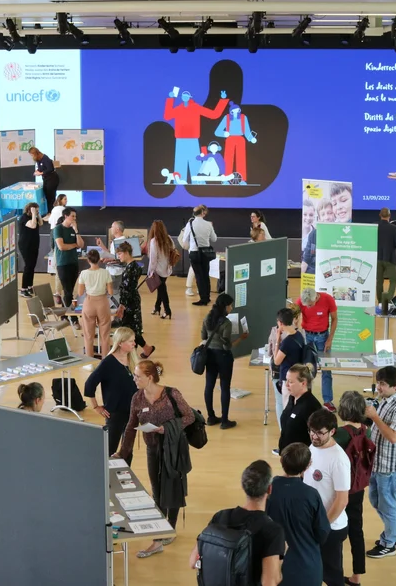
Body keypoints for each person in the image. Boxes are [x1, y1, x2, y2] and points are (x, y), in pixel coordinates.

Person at [115, 361, 194, 558]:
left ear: (150, 377)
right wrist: (122, 453)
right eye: (134, 375)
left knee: (173, 487)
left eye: (137, 376)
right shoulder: (137, 398)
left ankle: (169, 529)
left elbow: (189, 416)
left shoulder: (171, 394)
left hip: (173, 448)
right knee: (157, 491)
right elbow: (131, 426)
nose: (134, 379)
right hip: (153, 449)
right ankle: (159, 534)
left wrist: (166, 428)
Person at [190, 461, 284, 586]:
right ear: (269, 489)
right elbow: (269, 582)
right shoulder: (272, 531)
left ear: (243, 486)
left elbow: (192, 561)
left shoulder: (220, 516)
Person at [366, 366, 396, 559]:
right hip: (378, 464)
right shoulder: (385, 400)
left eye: (383, 384)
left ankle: (389, 543)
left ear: (395, 386)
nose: (379, 388)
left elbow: (393, 437)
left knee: (388, 506)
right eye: (378, 383)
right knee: (376, 500)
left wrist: (375, 417)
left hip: (392, 469)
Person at [266, 443, 330, 586]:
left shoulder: (267, 490)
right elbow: (322, 532)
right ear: (307, 466)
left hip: (274, 567)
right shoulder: (311, 495)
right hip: (307, 568)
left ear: (281, 460)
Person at [304, 408, 351, 586]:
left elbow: (342, 500)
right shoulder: (313, 447)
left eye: (320, 433)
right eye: (311, 431)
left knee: (332, 576)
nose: (314, 436)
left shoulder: (338, 459)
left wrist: (322, 525)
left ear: (332, 431)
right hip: (313, 523)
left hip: (330, 528)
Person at [333, 392, 373, 585]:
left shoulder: (340, 433)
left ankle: (335, 573)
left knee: (336, 529)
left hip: (340, 488)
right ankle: (357, 576)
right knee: (357, 530)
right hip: (358, 486)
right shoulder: (367, 430)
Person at [84, 327, 139, 456]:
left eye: (134, 341)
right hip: (115, 413)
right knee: (110, 448)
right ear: (120, 343)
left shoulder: (132, 359)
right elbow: (89, 384)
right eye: (131, 341)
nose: (134, 344)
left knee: (127, 449)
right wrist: (96, 406)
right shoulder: (108, 363)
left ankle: (125, 474)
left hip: (132, 412)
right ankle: (108, 474)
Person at [201, 293, 247, 429]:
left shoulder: (207, 318)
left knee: (209, 386)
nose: (231, 308)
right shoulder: (226, 323)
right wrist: (241, 338)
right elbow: (227, 346)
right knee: (225, 387)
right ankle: (225, 420)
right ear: (225, 306)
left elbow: (203, 336)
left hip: (209, 355)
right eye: (230, 305)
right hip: (223, 357)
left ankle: (210, 417)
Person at [296, 288, 338, 411]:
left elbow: (335, 319)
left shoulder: (327, 299)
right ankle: (306, 399)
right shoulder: (301, 300)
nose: (308, 307)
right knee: (306, 368)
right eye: (306, 305)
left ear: (316, 298)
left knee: (326, 369)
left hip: (323, 336)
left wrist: (330, 339)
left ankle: (328, 401)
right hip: (307, 336)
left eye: (310, 304)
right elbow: (292, 315)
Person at [116, 241, 154, 359]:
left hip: (130, 302)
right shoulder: (135, 266)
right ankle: (146, 348)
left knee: (129, 328)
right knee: (133, 328)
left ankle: (133, 353)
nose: (119, 256)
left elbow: (128, 289)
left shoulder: (131, 268)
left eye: (120, 254)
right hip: (132, 300)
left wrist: (122, 305)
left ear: (127, 253)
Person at [272, 308, 307, 429]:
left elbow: (277, 360)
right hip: (298, 376)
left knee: (286, 409)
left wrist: (277, 340)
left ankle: (286, 436)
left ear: (280, 323)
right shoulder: (299, 335)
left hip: (288, 379)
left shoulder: (287, 342)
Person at [278, 364, 323, 454]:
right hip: (287, 455)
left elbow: (319, 437)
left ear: (303, 383)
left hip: (301, 459)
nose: (286, 385)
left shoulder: (311, 406)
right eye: (286, 380)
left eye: (290, 382)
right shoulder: (292, 398)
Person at [77, 250, 114, 358]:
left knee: (88, 335)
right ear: (99, 260)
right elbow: (111, 292)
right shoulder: (105, 272)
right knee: (105, 335)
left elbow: (80, 293)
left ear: (88, 260)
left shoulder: (83, 273)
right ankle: (105, 360)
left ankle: (89, 361)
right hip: (102, 303)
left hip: (89, 303)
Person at [180, 205, 217, 306]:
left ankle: (203, 299)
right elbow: (214, 239)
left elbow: (184, 239)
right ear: (202, 213)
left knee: (199, 276)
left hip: (194, 253)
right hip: (206, 253)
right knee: (205, 275)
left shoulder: (190, 224)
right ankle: (207, 297)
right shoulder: (208, 224)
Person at [53, 207, 84, 309]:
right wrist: (74, 245)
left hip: (73, 263)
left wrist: (76, 231)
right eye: (72, 216)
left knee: (69, 290)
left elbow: (81, 244)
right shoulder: (58, 229)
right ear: (66, 216)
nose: (74, 218)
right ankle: (72, 317)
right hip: (63, 263)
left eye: (75, 216)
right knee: (68, 291)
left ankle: (64, 314)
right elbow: (61, 247)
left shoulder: (73, 229)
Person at [147, 220, 177, 319]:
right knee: (161, 289)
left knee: (162, 290)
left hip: (157, 270)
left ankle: (167, 310)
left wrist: (150, 272)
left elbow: (153, 259)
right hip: (167, 269)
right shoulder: (168, 238)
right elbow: (173, 249)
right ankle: (157, 307)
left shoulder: (153, 241)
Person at [376, 207, 396, 313]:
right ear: (390, 216)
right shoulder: (394, 229)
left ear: (380, 215)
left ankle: (381, 302)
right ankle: (388, 299)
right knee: (393, 281)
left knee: (379, 281)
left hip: (378, 258)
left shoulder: (375, 227)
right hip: (390, 259)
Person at [18, 202, 43, 298]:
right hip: (25, 245)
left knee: (32, 266)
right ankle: (23, 289)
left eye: (37, 210)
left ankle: (29, 286)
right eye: (35, 210)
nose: (36, 211)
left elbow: (40, 223)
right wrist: (33, 214)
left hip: (34, 244)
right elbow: (33, 225)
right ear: (30, 209)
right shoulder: (24, 218)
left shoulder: (35, 217)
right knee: (28, 266)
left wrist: (38, 214)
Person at [29, 147, 59, 212]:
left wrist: (41, 173)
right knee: (47, 195)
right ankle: (49, 212)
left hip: (52, 179)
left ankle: (51, 213)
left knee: (51, 197)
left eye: (32, 155)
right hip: (46, 179)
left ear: (35, 153)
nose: (31, 156)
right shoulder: (38, 159)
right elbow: (40, 168)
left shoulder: (45, 158)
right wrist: (37, 171)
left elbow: (50, 169)